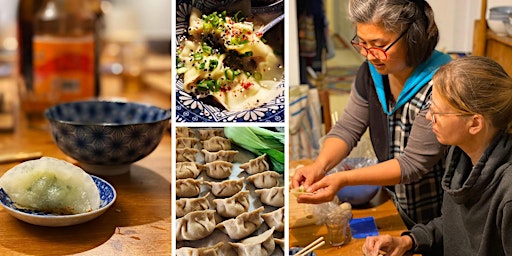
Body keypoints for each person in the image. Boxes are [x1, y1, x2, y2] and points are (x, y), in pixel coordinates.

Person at [292, 0, 452, 228]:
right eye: (363, 43)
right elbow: (347, 128)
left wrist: (343, 179)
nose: (369, 55)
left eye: (378, 45)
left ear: (413, 37)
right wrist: (320, 165)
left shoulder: (443, 85)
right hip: (394, 206)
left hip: (436, 218)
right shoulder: (371, 73)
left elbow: (412, 164)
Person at [362, 56, 512, 256]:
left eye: (437, 112)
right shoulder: (459, 155)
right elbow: (454, 228)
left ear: (475, 124)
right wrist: (409, 241)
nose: (427, 117)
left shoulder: (507, 192)